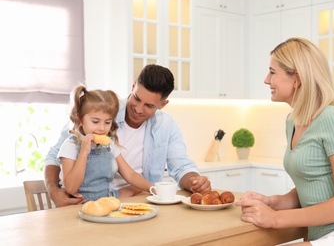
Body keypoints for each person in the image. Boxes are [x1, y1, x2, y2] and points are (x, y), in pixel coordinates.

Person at [235, 38, 334, 245]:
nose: (266, 80)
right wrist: (272, 202)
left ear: (297, 78)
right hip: (324, 234)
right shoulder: (292, 121)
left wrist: (275, 218)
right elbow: (312, 186)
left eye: (272, 72)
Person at [45, 64, 211, 206]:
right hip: (90, 201)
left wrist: (194, 182)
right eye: (137, 98)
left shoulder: (166, 126)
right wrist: (53, 190)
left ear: (162, 104)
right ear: (133, 87)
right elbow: (54, 155)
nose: (138, 109)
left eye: (149, 105)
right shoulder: (102, 111)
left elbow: (181, 167)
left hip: (135, 199)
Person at [59, 85, 154, 201]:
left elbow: (130, 175)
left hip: (106, 199)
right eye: (95, 122)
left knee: (141, 190)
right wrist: (83, 153)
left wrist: (152, 188)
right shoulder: (71, 146)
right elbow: (71, 188)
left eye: (107, 122)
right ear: (80, 119)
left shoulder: (109, 144)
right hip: (82, 203)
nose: (102, 128)